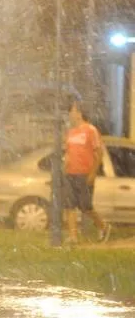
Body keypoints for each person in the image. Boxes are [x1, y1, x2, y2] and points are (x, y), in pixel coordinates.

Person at [64, 100, 110, 244]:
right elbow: (68, 152)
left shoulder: (91, 130)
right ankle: (73, 237)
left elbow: (99, 152)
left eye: (71, 110)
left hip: (85, 174)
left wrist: (93, 173)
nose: (70, 114)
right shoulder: (70, 132)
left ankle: (103, 226)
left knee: (86, 207)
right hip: (70, 173)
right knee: (70, 205)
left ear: (79, 112)